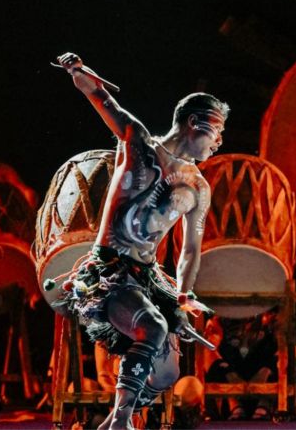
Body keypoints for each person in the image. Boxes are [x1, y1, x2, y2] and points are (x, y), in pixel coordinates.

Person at [53, 52, 228, 430]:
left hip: (147, 276)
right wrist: (77, 70)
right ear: (194, 122)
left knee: (167, 374)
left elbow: (190, 250)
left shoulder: (199, 188)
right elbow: (102, 98)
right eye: (217, 130)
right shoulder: (138, 143)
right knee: (153, 328)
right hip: (110, 271)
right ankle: (121, 421)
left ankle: (115, 421)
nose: (219, 140)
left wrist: (182, 296)